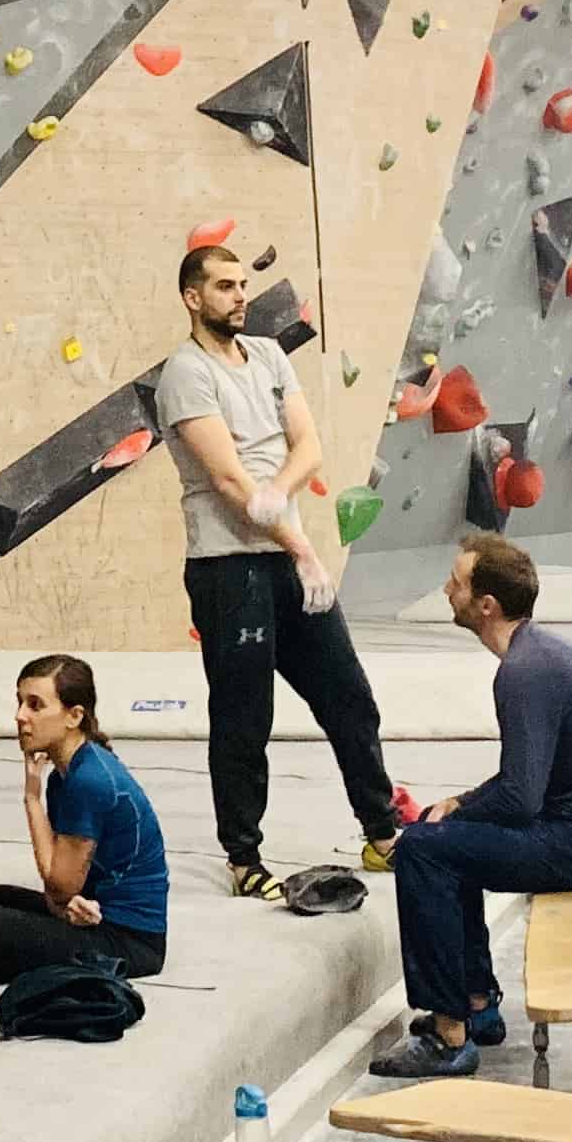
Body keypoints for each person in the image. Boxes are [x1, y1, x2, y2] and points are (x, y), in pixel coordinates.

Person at [153, 242, 402, 898]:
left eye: (243, 284)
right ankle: (243, 857)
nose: (240, 296)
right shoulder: (186, 373)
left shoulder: (265, 355)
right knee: (245, 717)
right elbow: (233, 483)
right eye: (226, 286)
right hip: (229, 569)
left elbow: (309, 446)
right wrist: (299, 544)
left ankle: (381, 833)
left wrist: (280, 498)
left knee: (348, 695)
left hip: (288, 557)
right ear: (192, 298)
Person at [366, 535, 572, 1081]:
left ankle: (450, 1038)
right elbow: (525, 780)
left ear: (486, 605)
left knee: (424, 851)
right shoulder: (537, 654)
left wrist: (453, 816)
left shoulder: (523, 673)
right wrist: (458, 805)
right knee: (448, 839)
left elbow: (520, 800)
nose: (448, 590)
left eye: (457, 583)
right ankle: (477, 1005)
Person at [0, 653, 171, 985]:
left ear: (74, 716)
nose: (20, 716)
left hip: (131, 941)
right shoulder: (65, 776)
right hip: (91, 916)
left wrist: (31, 798)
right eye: (20, 702)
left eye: (35, 705)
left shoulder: (89, 780)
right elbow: (60, 892)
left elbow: (59, 883)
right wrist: (64, 905)